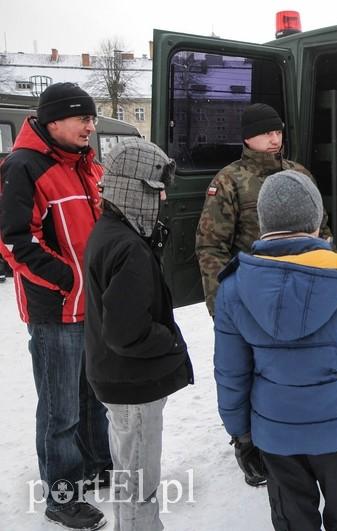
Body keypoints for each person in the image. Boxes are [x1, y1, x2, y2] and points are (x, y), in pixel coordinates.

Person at [213, 169, 337, 530]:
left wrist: (242, 435)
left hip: (275, 435)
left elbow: (231, 373)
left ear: (265, 223)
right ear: (315, 221)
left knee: (293, 522)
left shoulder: (234, 287)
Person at [0, 82, 111, 530]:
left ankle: (94, 464)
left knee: (93, 395)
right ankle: (62, 495)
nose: (90, 125)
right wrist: (70, 280)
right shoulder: (23, 167)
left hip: (93, 304)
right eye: (81, 118)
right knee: (60, 408)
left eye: (92, 118)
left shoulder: (85, 164)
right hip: (56, 310)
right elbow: (14, 242)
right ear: (53, 121)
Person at [84, 137, 194, 531]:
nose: (163, 200)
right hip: (132, 383)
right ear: (134, 189)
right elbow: (127, 333)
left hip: (119, 379)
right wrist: (170, 340)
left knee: (130, 473)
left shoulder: (111, 231)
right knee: (138, 484)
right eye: (157, 191)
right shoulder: (127, 247)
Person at [195, 102, 331, 317]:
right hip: (254, 295)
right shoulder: (228, 181)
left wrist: (328, 280)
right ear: (247, 137)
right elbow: (211, 248)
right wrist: (224, 308)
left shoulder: (299, 174)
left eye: (278, 132)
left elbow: (322, 230)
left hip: (305, 290)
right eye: (267, 133)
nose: (275, 140)